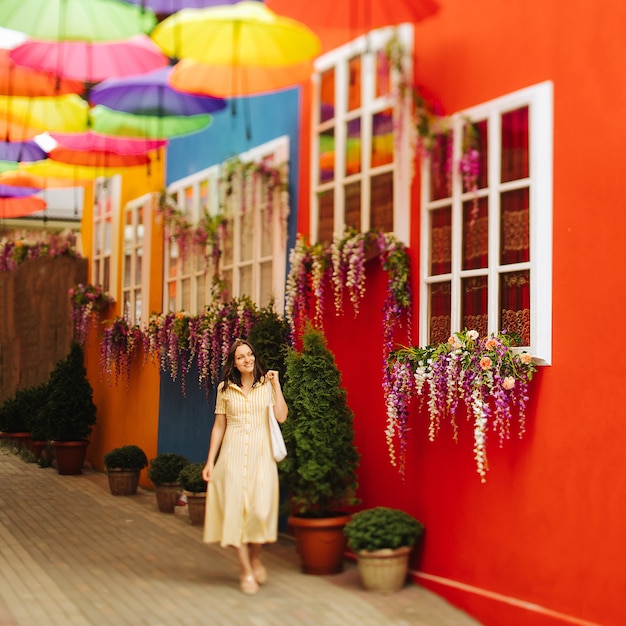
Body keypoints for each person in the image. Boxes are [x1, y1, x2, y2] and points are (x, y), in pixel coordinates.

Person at [202, 338, 288, 595]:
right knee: (235, 513)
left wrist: (276, 384)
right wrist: (210, 461)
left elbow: (281, 416)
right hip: (232, 455)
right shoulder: (225, 389)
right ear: (234, 363)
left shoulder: (267, 385)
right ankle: (246, 570)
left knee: (260, 512)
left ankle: (256, 556)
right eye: (241, 357)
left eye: (249, 354)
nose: (247, 359)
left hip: (262, 457)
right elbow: (219, 426)